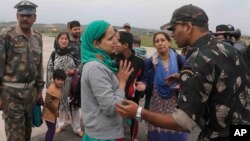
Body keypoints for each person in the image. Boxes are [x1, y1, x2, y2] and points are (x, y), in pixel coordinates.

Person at [115, 4, 250, 141]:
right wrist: (182, 77)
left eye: (174, 28)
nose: (172, 34)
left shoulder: (197, 59)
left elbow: (184, 122)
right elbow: (224, 77)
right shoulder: (227, 48)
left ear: (188, 27)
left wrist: (139, 111)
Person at [80, 20, 133, 141]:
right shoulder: (95, 67)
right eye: (110, 39)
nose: (116, 40)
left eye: (115, 35)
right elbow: (111, 108)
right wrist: (122, 83)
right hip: (103, 136)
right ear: (96, 44)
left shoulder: (103, 62)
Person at [0, 0, 45, 140]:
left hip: (30, 94)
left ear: (34, 18)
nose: (24, 18)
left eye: (28, 15)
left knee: (27, 133)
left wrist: (39, 90)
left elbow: (39, 66)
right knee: (15, 136)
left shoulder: (37, 37)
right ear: (17, 16)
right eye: (22, 15)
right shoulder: (6, 35)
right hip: (11, 94)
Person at [135, 31, 187, 141]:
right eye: (157, 41)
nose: (160, 43)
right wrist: (143, 85)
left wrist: (181, 85)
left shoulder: (180, 60)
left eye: (163, 40)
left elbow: (188, 79)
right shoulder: (150, 62)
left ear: (169, 42)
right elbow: (145, 79)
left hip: (175, 105)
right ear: (154, 45)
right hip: (155, 106)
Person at [46, 32, 83, 137]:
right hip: (59, 85)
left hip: (72, 84)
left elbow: (80, 65)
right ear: (58, 40)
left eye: (66, 39)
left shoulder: (74, 53)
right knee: (61, 105)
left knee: (74, 106)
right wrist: (50, 83)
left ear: (68, 40)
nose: (64, 40)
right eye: (61, 38)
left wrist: (74, 71)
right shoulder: (54, 54)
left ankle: (77, 128)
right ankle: (61, 125)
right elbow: (49, 68)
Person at [113, 31, 145, 140]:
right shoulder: (113, 59)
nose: (114, 43)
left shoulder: (140, 62)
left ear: (126, 45)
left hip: (132, 101)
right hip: (116, 99)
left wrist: (139, 92)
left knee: (130, 129)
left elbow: (142, 81)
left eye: (117, 41)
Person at [42, 69, 67, 141]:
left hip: (52, 114)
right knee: (51, 130)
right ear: (54, 79)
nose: (60, 81)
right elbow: (47, 102)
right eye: (58, 79)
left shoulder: (56, 86)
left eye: (62, 80)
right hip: (49, 113)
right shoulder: (52, 89)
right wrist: (55, 110)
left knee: (51, 129)